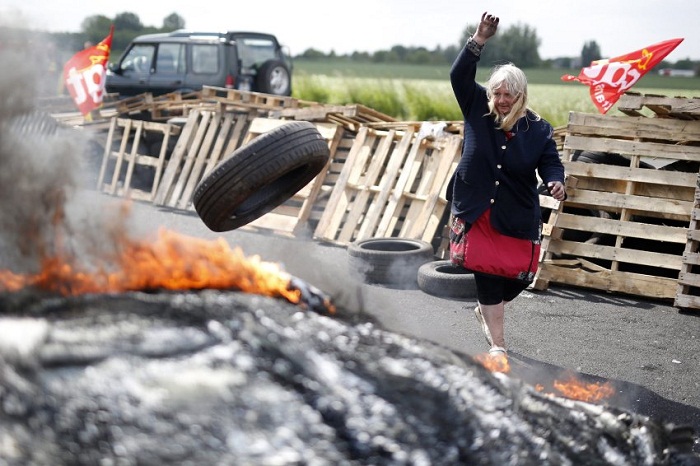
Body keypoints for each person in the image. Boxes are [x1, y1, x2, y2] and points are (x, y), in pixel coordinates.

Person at [448, 12, 567, 357]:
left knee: (519, 278)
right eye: (498, 93)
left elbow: (550, 162)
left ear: (522, 96)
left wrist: (556, 181)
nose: (501, 100)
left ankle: (486, 309)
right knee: (486, 271)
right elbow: (458, 75)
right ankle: (498, 345)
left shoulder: (539, 128)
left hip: (517, 210)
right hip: (478, 205)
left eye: (509, 95)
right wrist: (478, 39)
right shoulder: (476, 107)